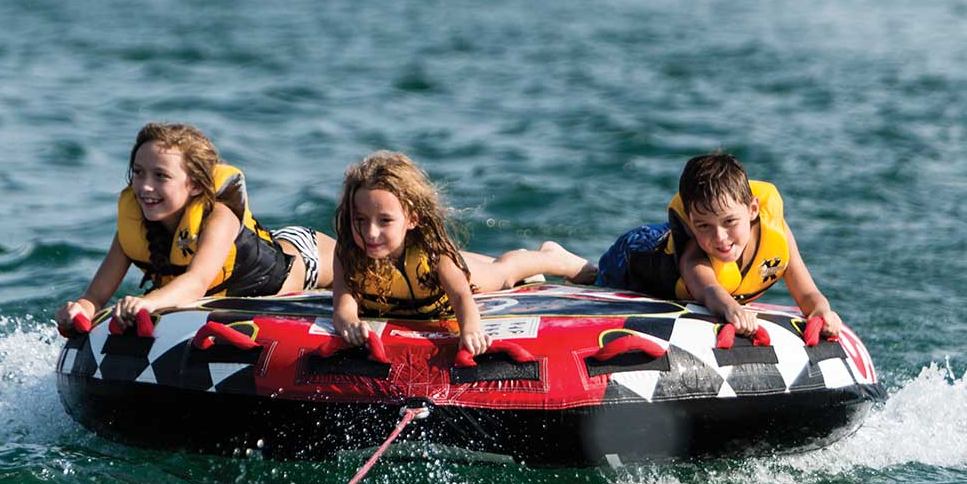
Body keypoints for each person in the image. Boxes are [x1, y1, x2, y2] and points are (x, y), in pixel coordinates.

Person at [55, 122, 335, 334]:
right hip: (244, 273)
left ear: (196, 185)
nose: (145, 186)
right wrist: (79, 309)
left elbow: (196, 282)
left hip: (306, 258)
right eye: (138, 173)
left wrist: (149, 303)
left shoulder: (220, 215)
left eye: (161, 176)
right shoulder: (133, 226)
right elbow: (95, 296)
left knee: (359, 282)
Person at [330, 151, 593, 357]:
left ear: (412, 219)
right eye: (360, 219)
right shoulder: (348, 253)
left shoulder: (434, 255)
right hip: (420, 284)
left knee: (504, 273)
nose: (371, 232)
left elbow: (461, 296)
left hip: (464, 282)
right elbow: (343, 303)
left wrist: (470, 329)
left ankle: (553, 257)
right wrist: (350, 323)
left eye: (385, 220)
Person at [593, 152, 842, 337]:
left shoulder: (775, 232)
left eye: (730, 221)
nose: (720, 237)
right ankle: (573, 265)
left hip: (658, 241)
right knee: (596, 283)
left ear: (753, 209)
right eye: (704, 225)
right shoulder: (694, 255)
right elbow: (709, 289)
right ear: (691, 223)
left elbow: (807, 293)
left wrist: (821, 309)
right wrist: (731, 308)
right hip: (637, 254)